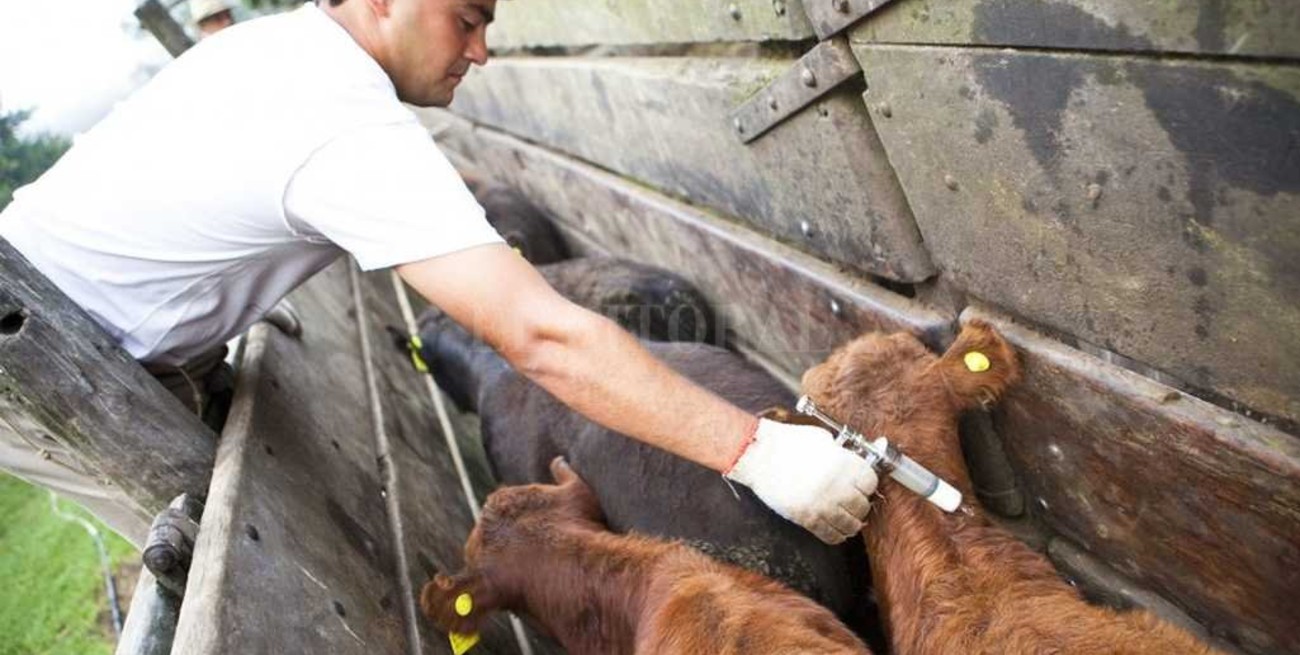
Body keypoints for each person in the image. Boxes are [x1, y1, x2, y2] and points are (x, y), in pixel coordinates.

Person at [0, 0, 877, 549]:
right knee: (209, 546)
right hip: (44, 362)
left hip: (70, 298)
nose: (484, 50)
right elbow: (536, 334)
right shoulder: (340, 122)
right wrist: (757, 451)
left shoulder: (282, 54)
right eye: (468, 16)